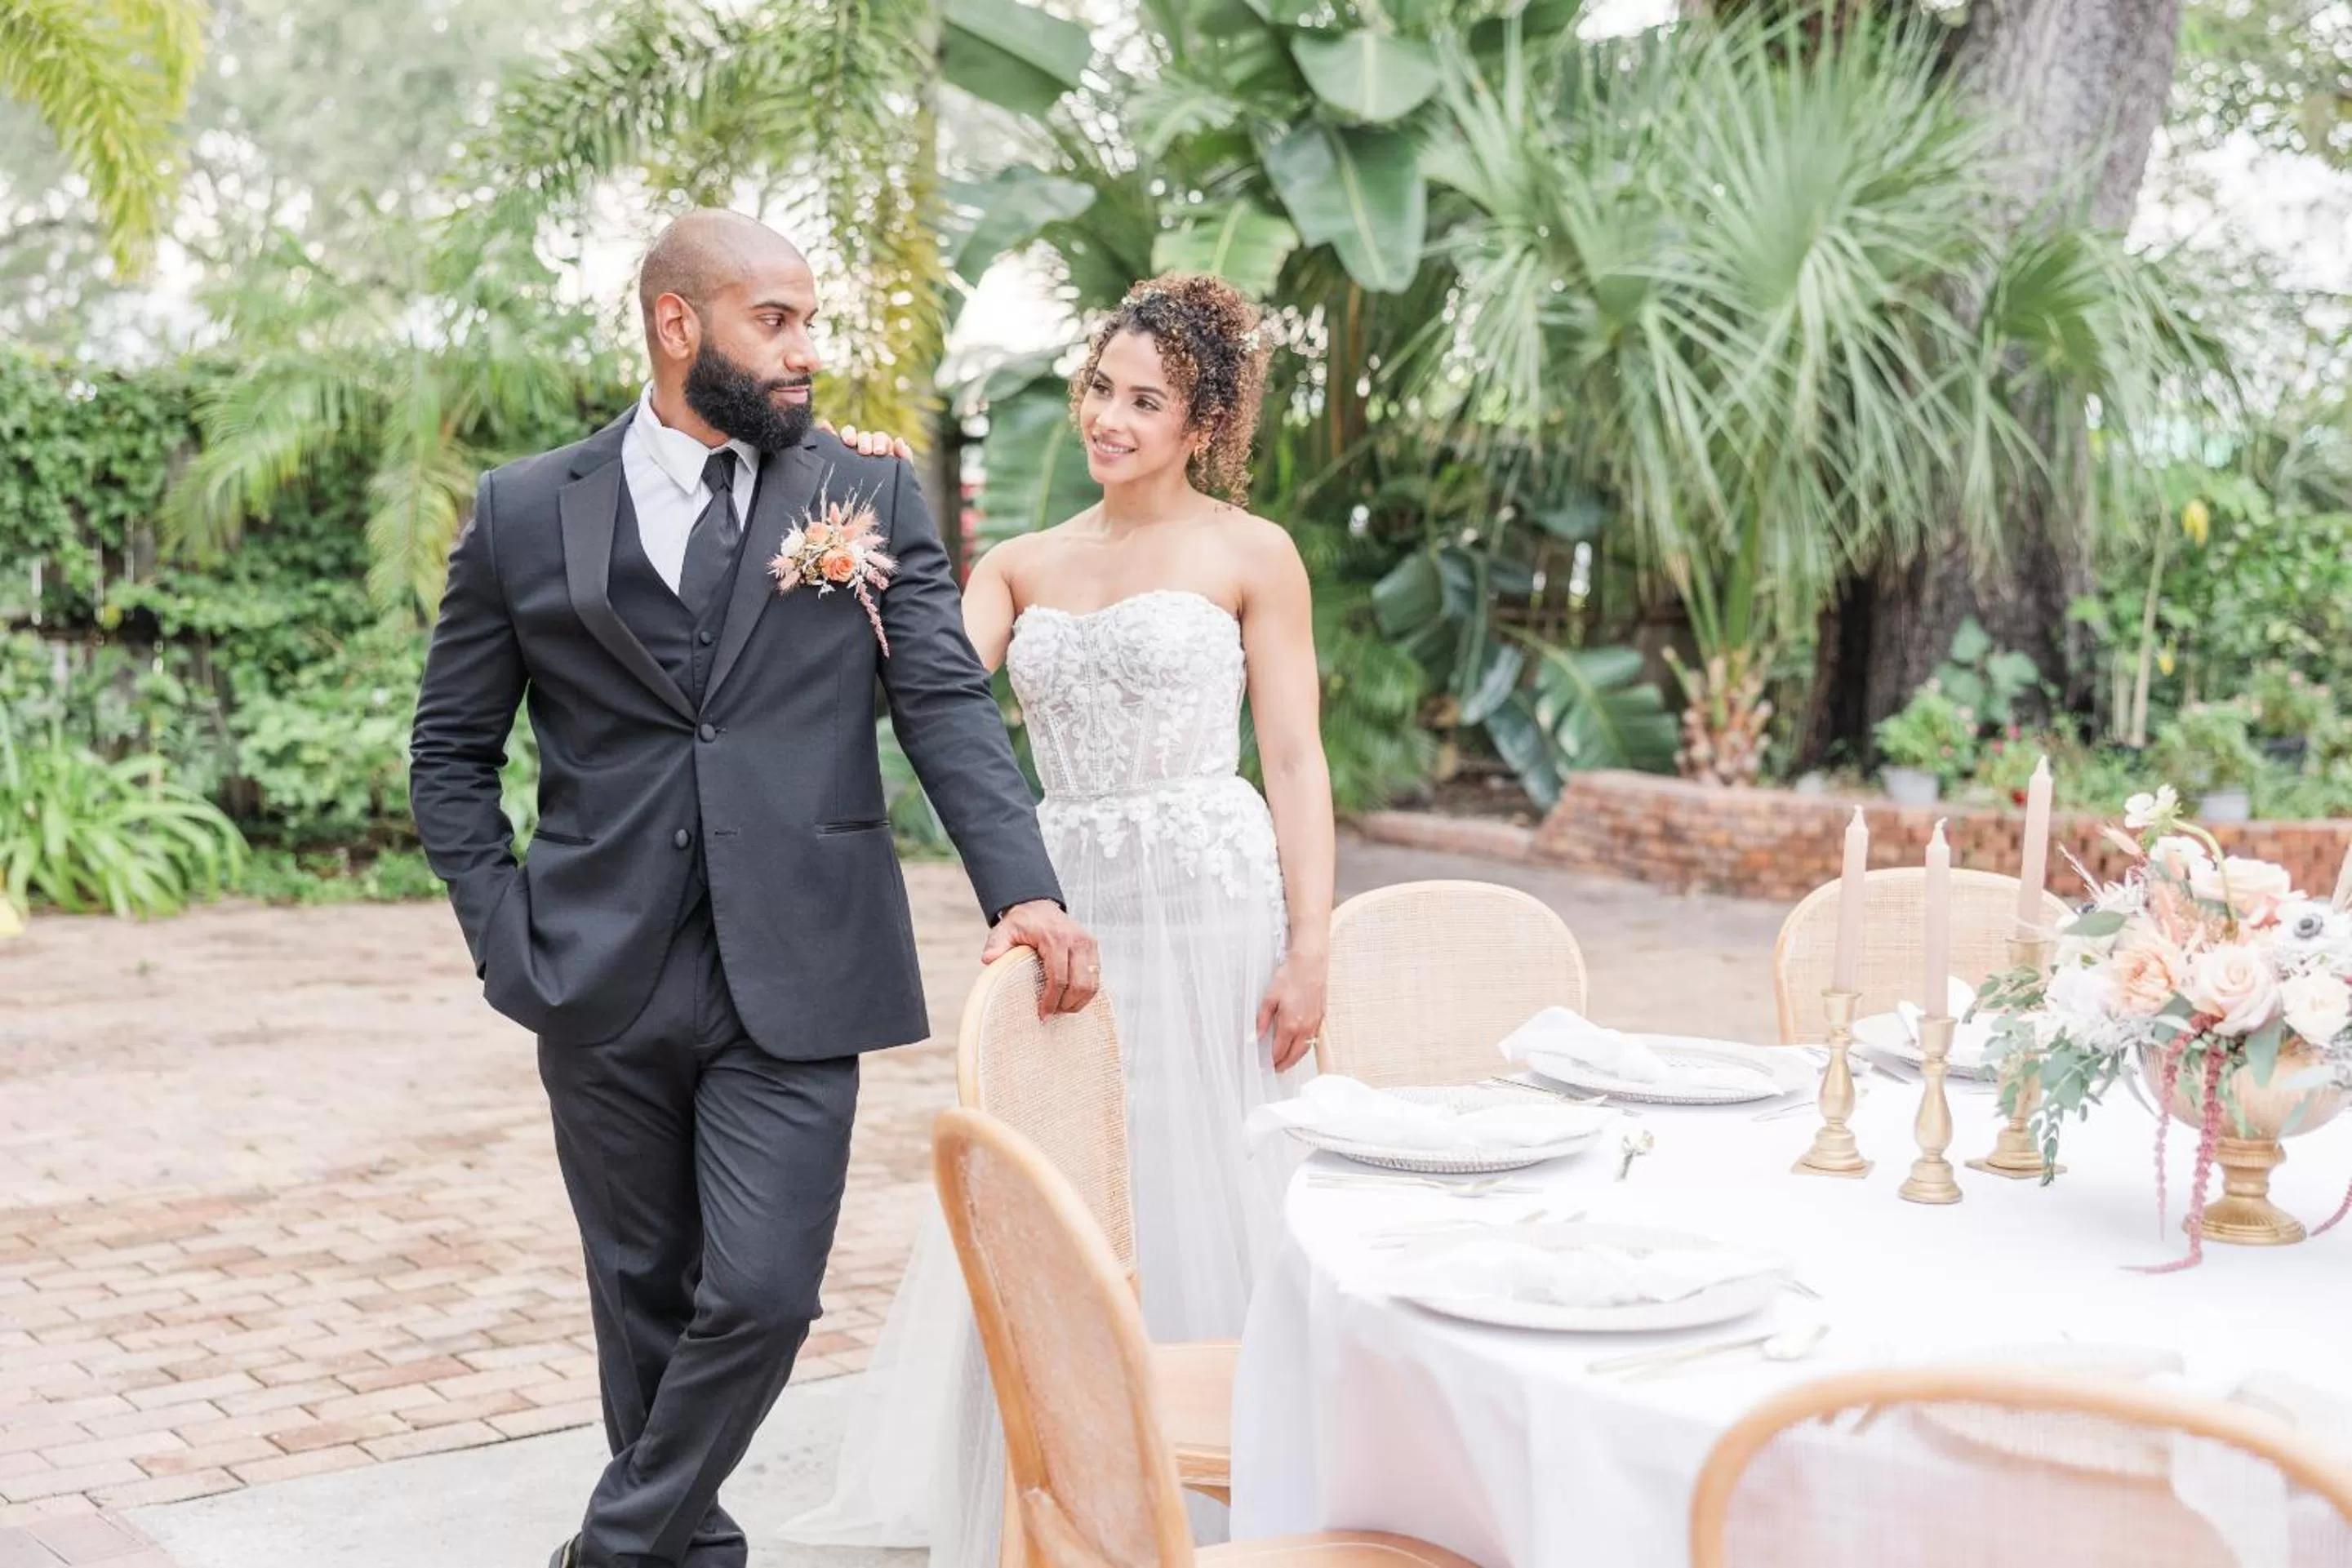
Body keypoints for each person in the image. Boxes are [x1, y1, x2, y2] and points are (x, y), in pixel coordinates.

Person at [406, 207, 1099, 1568]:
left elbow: (943, 702)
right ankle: (685, 1550)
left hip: (802, 959)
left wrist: (1023, 889)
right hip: (595, 968)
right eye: (774, 322)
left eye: (810, 322)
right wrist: (504, 938)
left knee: (768, 1293)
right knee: (642, 1299)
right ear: (679, 326)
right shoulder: (526, 511)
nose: (805, 352)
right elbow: (448, 752)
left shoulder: (866, 493)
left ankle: (608, 1552)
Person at [785, 272, 1334, 1561]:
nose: (1111, 418)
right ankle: (1070, 1477)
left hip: (1210, 904)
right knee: (1070, 1175)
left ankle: (1224, 1481)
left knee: (1208, 1166)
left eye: (1147, 400)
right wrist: (850, 520)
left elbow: (1298, 761)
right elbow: (911, 676)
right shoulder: (1021, 565)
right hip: (1069, 904)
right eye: (1100, 388)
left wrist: (1312, 946)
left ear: (1203, 425)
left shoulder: (1254, 555)